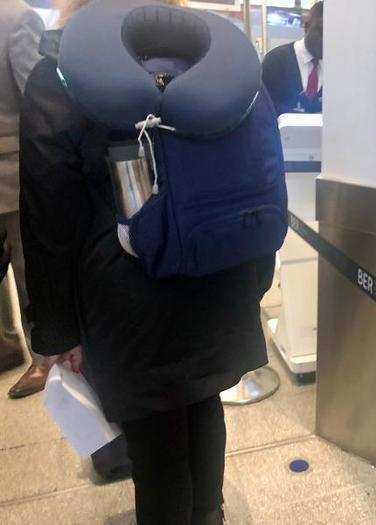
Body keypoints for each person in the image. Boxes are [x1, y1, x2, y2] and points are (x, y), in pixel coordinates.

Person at [20, 0, 280, 523]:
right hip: (221, 276)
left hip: (126, 298)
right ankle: (210, 514)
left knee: (155, 442)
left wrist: (55, 331)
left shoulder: (64, 74)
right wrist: (252, 283)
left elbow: (48, 215)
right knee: (204, 404)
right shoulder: (224, 64)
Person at [0, 0, 47, 397]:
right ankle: (6, 343)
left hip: (12, 169)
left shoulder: (18, 17)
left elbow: (36, 97)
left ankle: (44, 358)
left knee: (28, 267)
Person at [262, 1, 323, 116]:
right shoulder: (275, 62)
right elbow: (263, 114)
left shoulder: (338, 69)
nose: (326, 39)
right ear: (307, 26)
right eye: (321, 30)